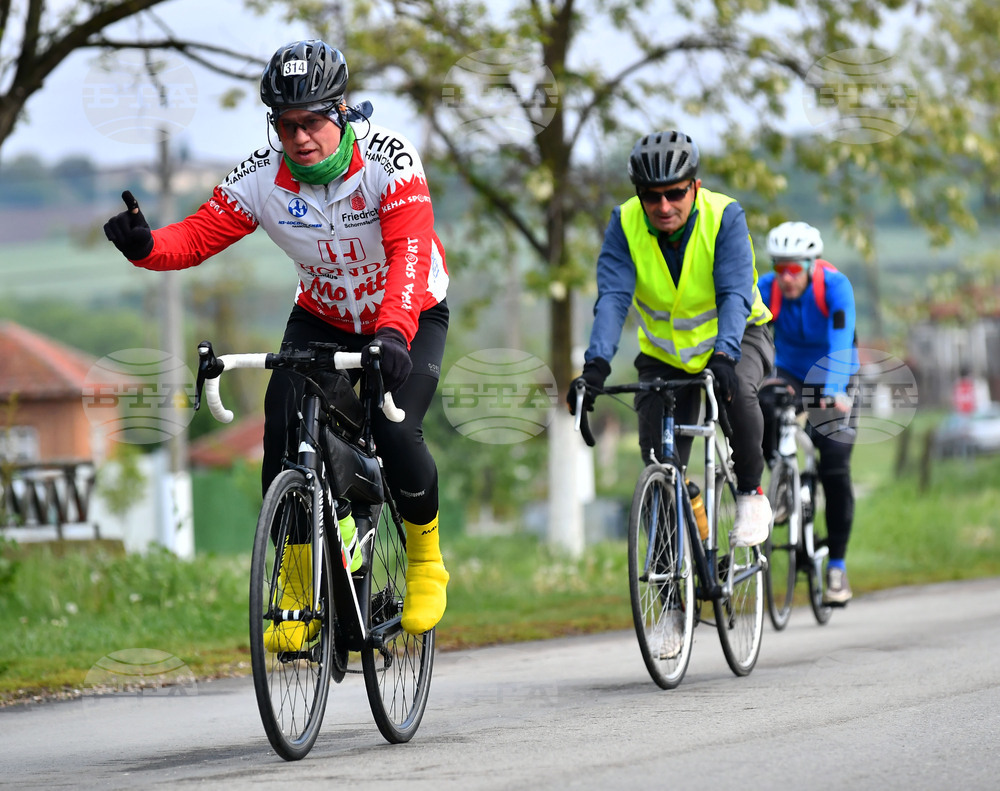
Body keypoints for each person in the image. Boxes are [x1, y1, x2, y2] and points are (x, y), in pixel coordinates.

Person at [104, 40, 450, 641]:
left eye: (311, 121)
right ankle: (295, 589)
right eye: (286, 125)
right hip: (322, 316)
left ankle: (425, 561)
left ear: (339, 112)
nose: (300, 137)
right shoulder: (263, 177)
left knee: (396, 430)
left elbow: (410, 251)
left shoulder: (389, 161)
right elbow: (198, 235)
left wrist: (394, 329)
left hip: (410, 310)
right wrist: (146, 247)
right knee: (285, 427)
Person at [568, 130, 775, 657]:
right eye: (652, 196)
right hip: (664, 354)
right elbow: (613, 295)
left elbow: (733, 292)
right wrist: (594, 365)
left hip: (738, 338)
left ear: (695, 187)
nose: (663, 205)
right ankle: (673, 605)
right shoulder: (625, 223)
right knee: (663, 471)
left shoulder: (724, 216)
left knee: (740, 398)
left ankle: (751, 494)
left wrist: (726, 356)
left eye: (675, 193)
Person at [757, 221, 858, 605]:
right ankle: (780, 476)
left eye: (795, 268)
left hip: (835, 371)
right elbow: (756, 338)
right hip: (788, 371)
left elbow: (840, 340)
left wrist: (832, 391)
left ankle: (837, 568)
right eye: (780, 268)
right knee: (761, 407)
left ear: (812, 264)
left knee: (835, 466)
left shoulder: (835, 287)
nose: (786, 277)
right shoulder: (766, 288)